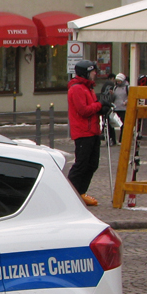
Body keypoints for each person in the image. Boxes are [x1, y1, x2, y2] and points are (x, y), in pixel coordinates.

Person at [66, 59, 109, 207]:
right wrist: (99, 105)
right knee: (81, 164)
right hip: (83, 132)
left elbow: (92, 108)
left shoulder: (88, 88)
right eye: (92, 72)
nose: (95, 74)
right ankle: (69, 192)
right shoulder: (77, 88)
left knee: (92, 164)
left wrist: (102, 108)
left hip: (93, 131)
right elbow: (83, 110)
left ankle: (81, 192)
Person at [112, 72, 128, 142]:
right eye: (117, 81)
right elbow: (114, 97)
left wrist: (126, 102)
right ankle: (113, 139)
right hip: (116, 107)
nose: (118, 82)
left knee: (123, 124)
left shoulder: (127, 87)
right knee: (113, 123)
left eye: (119, 81)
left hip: (123, 108)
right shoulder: (115, 87)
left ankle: (122, 139)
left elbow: (130, 96)